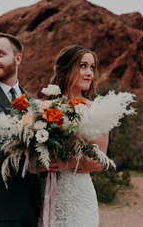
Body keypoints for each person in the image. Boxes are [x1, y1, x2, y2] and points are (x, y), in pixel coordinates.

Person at [0, 33, 61, 227]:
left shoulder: (33, 101)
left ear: (18, 58)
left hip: (32, 210)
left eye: (0, 54)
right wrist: (27, 165)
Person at [40, 45, 109, 227]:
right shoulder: (44, 107)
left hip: (77, 198)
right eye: (83, 66)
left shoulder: (96, 110)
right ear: (66, 69)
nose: (89, 73)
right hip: (42, 194)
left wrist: (66, 163)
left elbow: (100, 161)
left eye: (92, 67)